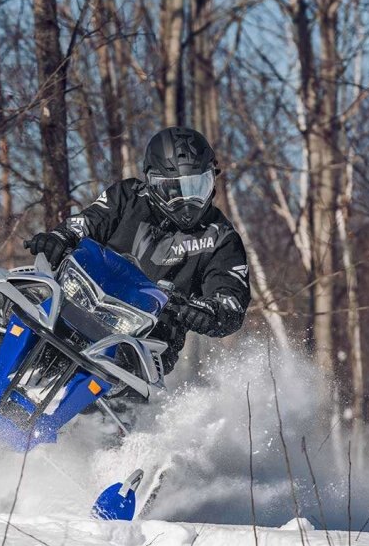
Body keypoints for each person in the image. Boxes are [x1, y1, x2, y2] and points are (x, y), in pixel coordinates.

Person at [23, 126, 251, 372]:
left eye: (197, 187)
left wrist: (208, 312)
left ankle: (112, 396)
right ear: (152, 182)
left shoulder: (221, 237)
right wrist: (58, 238)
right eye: (174, 190)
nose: (186, 202)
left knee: (126, 370)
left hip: (146, 339)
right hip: (84, 301)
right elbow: (87, 222)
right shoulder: (127, 197)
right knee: (22, 295)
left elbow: (231, 300)